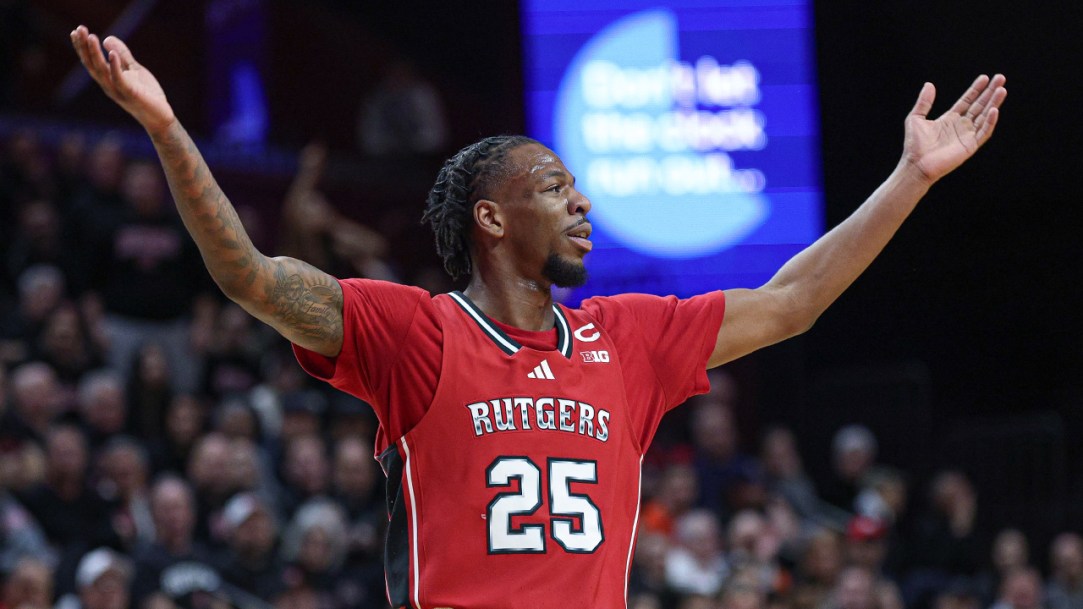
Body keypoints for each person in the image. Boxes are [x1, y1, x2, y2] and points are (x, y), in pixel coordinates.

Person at [70, 24, 1006, 609]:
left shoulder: (627, 338)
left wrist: (909, 178)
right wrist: (166, 128)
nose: (581, 201)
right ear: (491, 217)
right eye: (555, 186)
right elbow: (249, 275)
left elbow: (793, 301)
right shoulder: (417, 333)